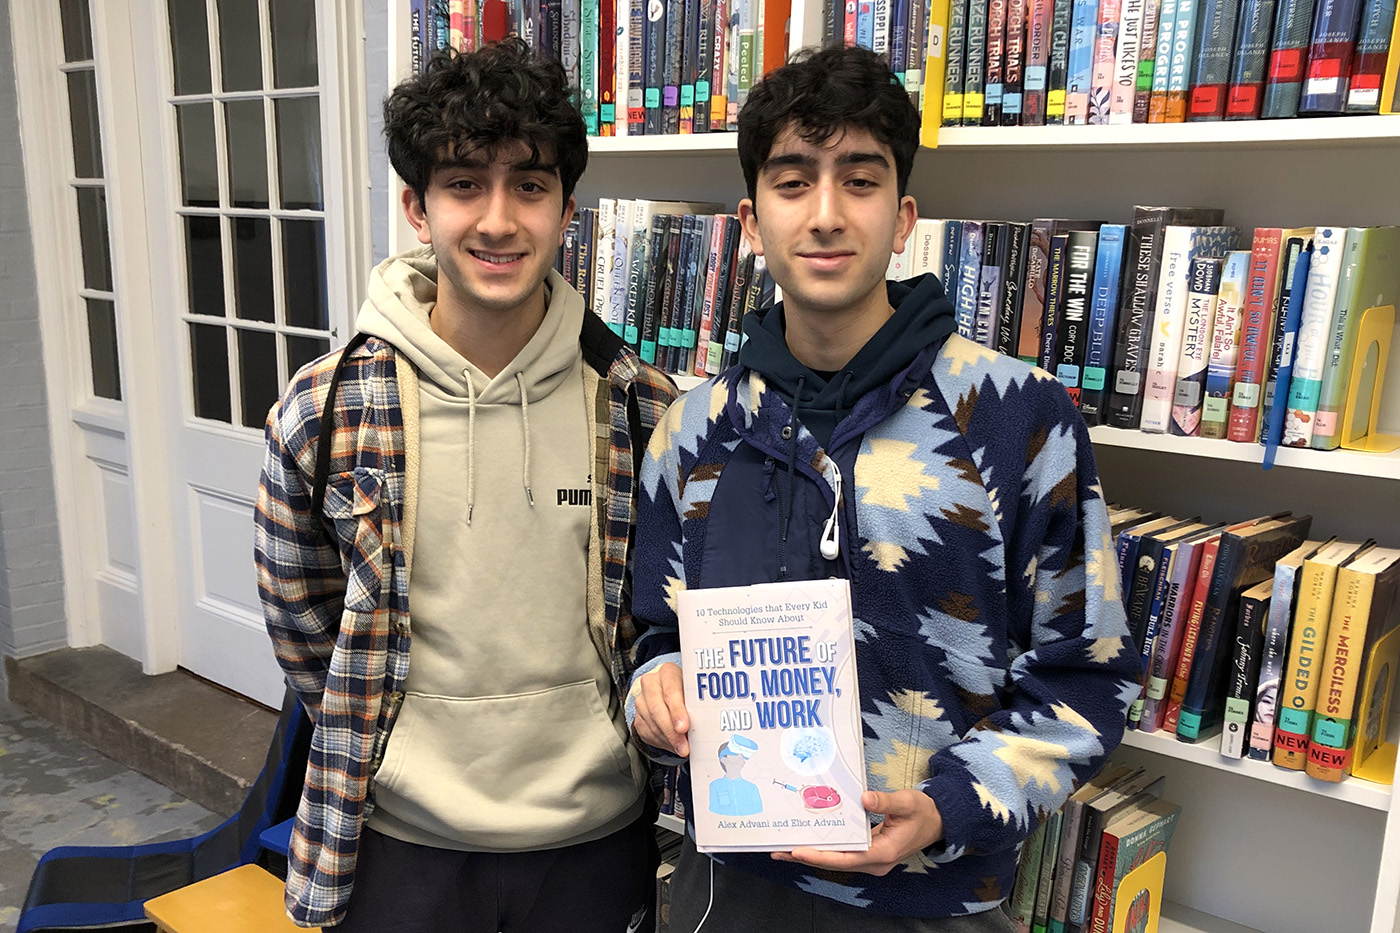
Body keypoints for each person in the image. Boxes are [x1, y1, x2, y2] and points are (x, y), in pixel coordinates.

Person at [626, 46, 1139, 931]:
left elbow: (1088, 681)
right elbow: (653, 635)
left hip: (937, 901)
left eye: (858, 182)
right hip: (729, 891)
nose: (825, 215)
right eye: (793, 184)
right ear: (751, 222)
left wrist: (946, 806)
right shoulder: (693, 427)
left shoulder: (1020, 420)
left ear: (903, 218)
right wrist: (657, 688)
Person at [254, 39, 675, 930]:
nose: (498, 220)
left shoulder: (639, 407)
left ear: (566, 209)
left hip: (595, 839)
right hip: (402, 844)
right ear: (416, 204)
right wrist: (396, 745)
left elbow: (659, 618)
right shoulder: (324, 409)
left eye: (529, 185)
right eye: (463, 183)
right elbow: (302, 620)